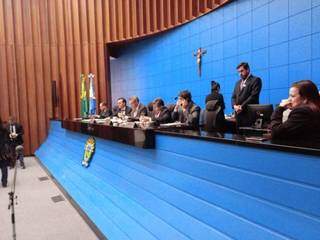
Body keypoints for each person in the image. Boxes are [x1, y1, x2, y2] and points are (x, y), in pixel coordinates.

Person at [270, 80, 320, 148]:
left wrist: (279, 108)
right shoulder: (314, 108)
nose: (289, 99)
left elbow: (276, 133)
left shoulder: (302, 112)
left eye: (292, 96)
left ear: (305, 98)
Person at [231, 62, 262, 127]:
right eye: (238, 72)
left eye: (242, 71)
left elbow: (253, 96)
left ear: (248, 69)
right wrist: (234, 106)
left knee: (248, 136)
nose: (240, 74)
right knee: (238, 136)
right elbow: (233, 97)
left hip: (249, 114)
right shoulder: (237, 83)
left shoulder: (256, 80)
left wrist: (241, 107)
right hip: (238, 115)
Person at [0, 119, 9, 187]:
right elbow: (7, 141)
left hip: (3, 151)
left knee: (4, 167)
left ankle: (4, 182)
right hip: (3, 152)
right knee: (4, 167)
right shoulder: (4, 130)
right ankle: (4, 182)